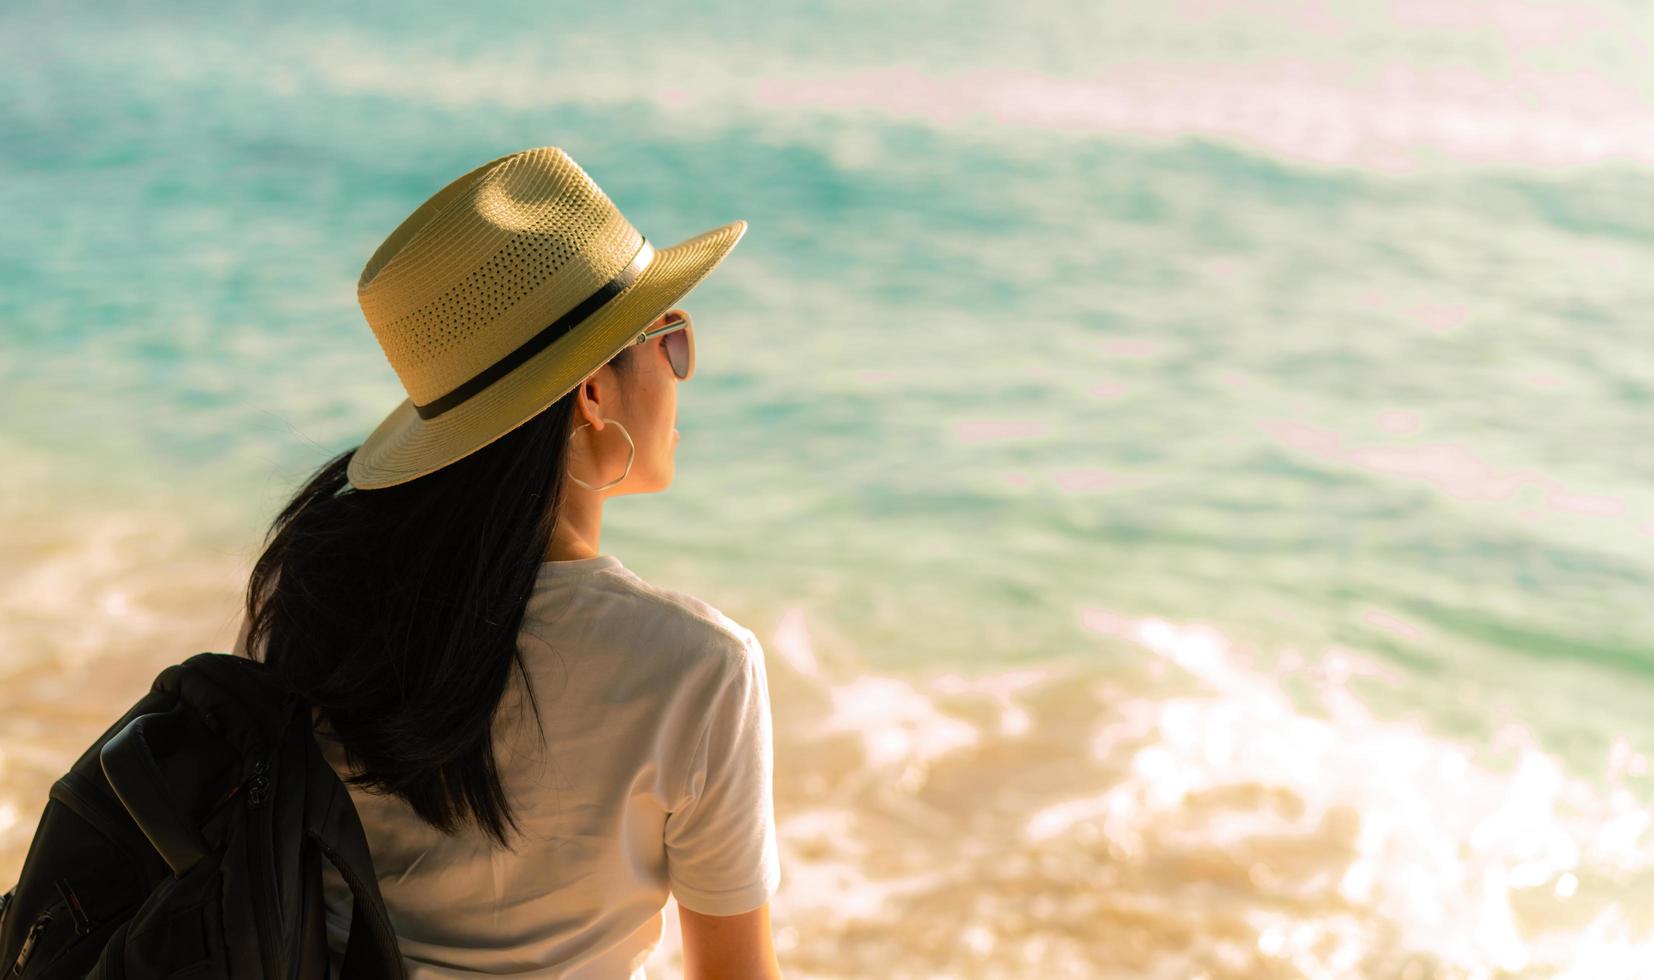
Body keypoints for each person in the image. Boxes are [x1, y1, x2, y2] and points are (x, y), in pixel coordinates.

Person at [229, 146, 783, 979]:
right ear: (593, 392)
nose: (682, 374)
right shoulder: (697, 667)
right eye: (670, 338)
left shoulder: (320, 594)